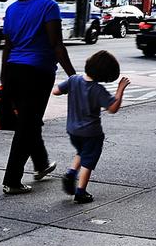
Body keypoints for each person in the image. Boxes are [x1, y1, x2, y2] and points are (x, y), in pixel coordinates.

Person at [0, 0, 77, 195]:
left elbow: (8, 45)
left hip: (13, 69)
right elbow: (56, 45)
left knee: (29, 121)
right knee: (27, 125)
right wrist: (73, 76)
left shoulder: (12, 9)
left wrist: (4, 75)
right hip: (37, 72)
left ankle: (41, 164)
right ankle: (12, 180)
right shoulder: (48, 6)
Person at [53, 51, 130, 204]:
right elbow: (112, 108)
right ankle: (81, 192)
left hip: (72, 129)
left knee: (81, 151)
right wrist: (120, 90)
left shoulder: (74, 80)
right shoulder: (97, 90)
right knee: (89, 160)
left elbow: (56, 91)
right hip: (91, 133)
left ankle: (71, 173)